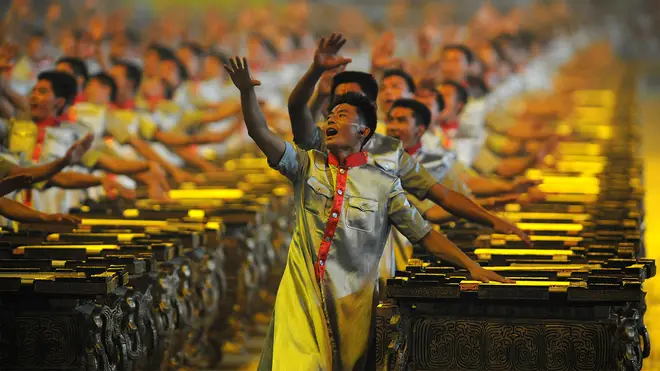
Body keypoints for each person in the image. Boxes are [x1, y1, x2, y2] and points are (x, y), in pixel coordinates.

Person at [224, 55, 512, 371]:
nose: (331, 119)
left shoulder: (384, 185)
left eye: (342, 114)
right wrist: (246, 93)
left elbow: (426, 236)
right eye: (331, 113)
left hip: (353, 306)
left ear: (363, 131)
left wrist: (471, 266)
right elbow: (259, 131)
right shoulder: (307, 166)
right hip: (301, 295)